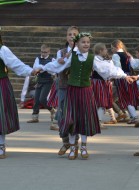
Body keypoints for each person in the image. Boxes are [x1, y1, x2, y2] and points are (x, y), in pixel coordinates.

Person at [40, 32, 132, 160]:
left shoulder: (92, 58)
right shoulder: (72, 56)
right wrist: (42, 68)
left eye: (88, 42)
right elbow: (58, 66)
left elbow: (106, 69)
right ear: (77, 44)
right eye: (83, 42)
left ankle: (83, 146)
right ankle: (72, 147)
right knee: (71, 119)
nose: (86, 44)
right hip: (72, 91)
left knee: (84, 119)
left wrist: (124, 75)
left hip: (85, 91)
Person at [0, 34, 37, 159]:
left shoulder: (2, 49)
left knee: (1, 115)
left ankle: (1, 144)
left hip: (0, 84)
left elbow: (15, 64)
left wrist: (30, 70)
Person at [56, 26, 80, 155]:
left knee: (73, 116)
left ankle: (74, 144)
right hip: (63, 87)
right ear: (66, 37)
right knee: (61, 116)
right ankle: (65, 141)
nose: (71, 36)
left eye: (74, 34)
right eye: (69, 34)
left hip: (76, 88)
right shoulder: (61, 52)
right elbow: (58, 68)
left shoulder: (82, 53)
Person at [111, 39, 139, 127]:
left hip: (122, 78)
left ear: (117, 47)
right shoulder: (128, 54)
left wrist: (115, 75)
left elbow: (117, 67)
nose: (111, 50)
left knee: (126, 98)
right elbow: (135, 65)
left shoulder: (115, 55)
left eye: (112, 48)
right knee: (129, 97)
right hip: (131, 77)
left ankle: (134, 117)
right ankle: (133, 117)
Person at [27, 44, 55, 123]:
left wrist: (42, 68)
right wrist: (45, 67)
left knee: (42, 99)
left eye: (45, 52)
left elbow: (52, 70)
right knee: (36, 99)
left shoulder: (52, 59)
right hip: (39, 80)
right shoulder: (38, 58)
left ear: (49, 52)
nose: (43, 54)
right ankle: (35, 117)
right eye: (42, 52)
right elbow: (35, 67)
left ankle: (52, 110)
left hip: (48, 81)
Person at [91, 43, 116, 127]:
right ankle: (98, 121)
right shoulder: (96, 60)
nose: (106, 50)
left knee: (104, 102)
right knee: (101, 102)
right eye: (105, 49)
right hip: (99, 82)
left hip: (102, 82)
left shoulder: (104, 59)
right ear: (101, 51)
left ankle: (110, 118)